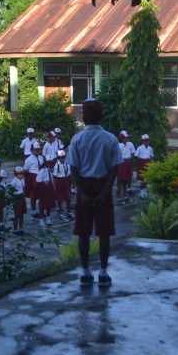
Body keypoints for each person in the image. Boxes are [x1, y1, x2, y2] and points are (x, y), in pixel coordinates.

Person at [67, 98, 122, 286]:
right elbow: (114, 168)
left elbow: (73, 168)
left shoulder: (77, 139)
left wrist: (81, 193)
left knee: (83, 232)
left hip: (84, 185)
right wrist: (105, 192)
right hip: (103, 185)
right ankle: (103, 273)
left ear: (84, 118)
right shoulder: (110, 138)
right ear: (102, 116)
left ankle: (85, 272)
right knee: (104, 233)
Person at [52, 148, 73, 220]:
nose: (62, 159)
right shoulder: (56, 166)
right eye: (60, 158)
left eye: (63, 157)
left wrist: (70, 183)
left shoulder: (67, 165)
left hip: (66, 181)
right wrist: (55, 186)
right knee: (60, 199)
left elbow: (69, 175)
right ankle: (61, 214)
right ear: (58, 158)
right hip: (59, 182)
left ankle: (69, 212)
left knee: (68, 198)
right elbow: (54, 177)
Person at [115, 130, 136, 201]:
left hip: (128, 162)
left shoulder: (130, 144)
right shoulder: (118, 145)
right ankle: (119, 195)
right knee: (120, 179)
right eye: (126, 137)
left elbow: (133, 153)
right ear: (122, 138)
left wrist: (130, 158)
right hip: (121, 163)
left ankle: (125, 196)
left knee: (126, 180)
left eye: (127, 137)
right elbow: (116, 155)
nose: (127, 138)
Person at [9, 166, 27, 235]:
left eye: (22, 173)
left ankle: (21, 228)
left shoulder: (22, 180)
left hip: (22, 198)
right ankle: (15, 229)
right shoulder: (14, 182)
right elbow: (9, 190)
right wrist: (14, 196)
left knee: (21, 214)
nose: (22, 175)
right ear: (16, 174)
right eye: (20, 173)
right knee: (17, 214)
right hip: (17, 199)